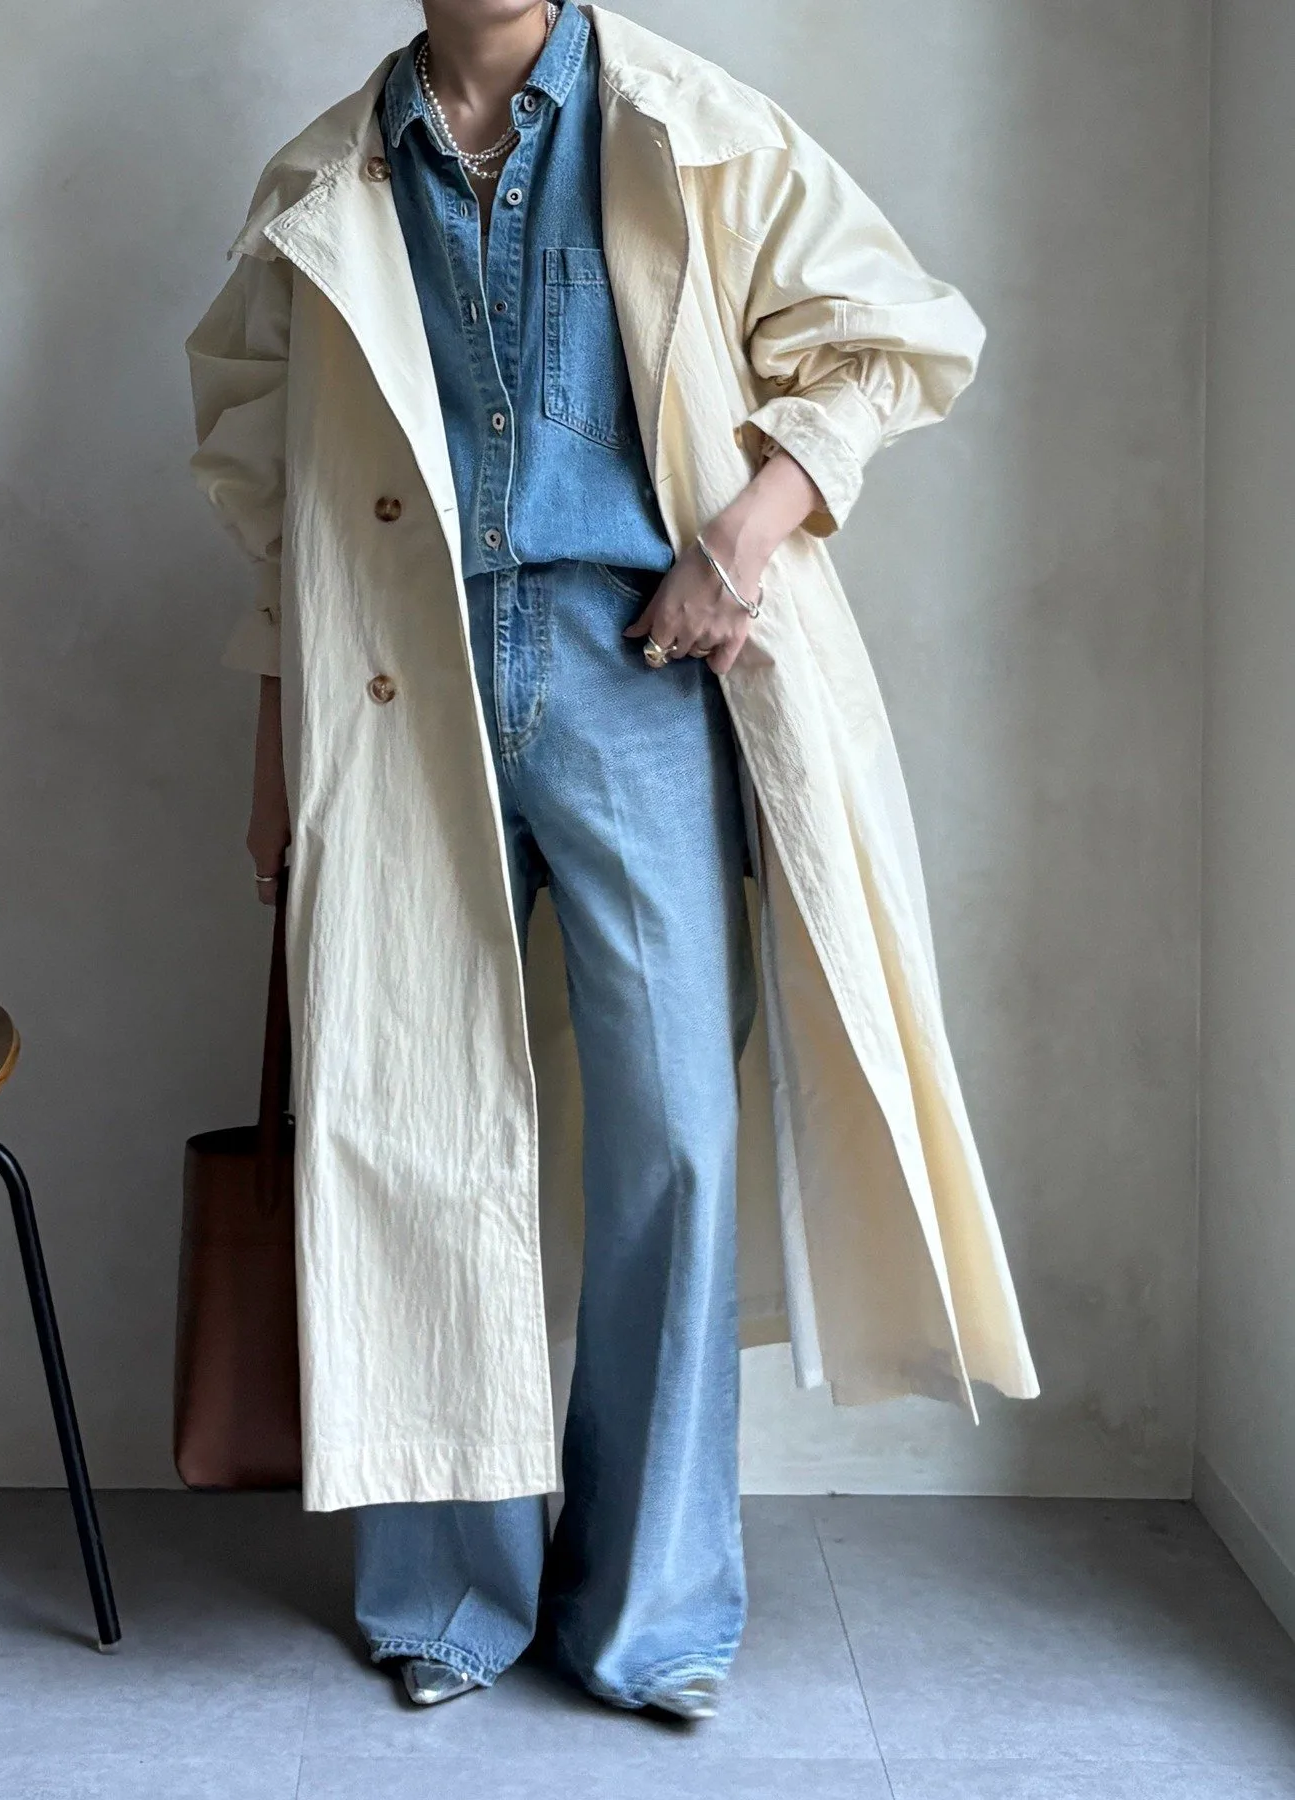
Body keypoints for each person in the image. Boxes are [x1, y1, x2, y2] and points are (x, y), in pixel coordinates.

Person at [185, 0, 1039, 1724]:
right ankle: (447, 1592)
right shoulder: (323, 180)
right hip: (398, 680)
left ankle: (653, 1611)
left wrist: (745, 537)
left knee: (674, 1136)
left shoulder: (691, 124)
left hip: (636, 668)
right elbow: (277, 498)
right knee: (410, 1117)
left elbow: (899, 335)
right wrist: (278, 756)